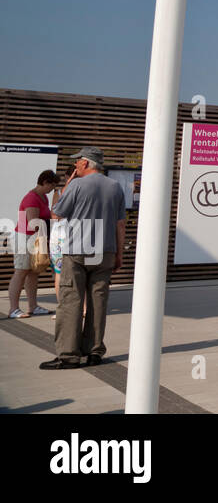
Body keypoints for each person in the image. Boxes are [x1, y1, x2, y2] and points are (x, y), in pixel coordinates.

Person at [40, 147, 126, 369]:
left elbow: (57, 214)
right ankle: (94, 351)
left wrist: (68, 184)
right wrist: (119, 254)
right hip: (105, 252)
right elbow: (120, 224)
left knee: (71, 302)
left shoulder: (77, 184)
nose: (75, 166)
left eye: (77, 162)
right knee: (98, 303)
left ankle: (68, 355)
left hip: (77, 252)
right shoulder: (115, 187)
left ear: (86, 163)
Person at [9, 170, 58, 319]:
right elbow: (33, 223)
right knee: (21, 271)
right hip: (25, 238)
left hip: (35, 239)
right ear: (45, 182)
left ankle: (33, 306)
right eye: (52, 186)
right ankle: (13, 309)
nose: (52, 190)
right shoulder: (32, 198)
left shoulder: (43, 197)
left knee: (33, 273)